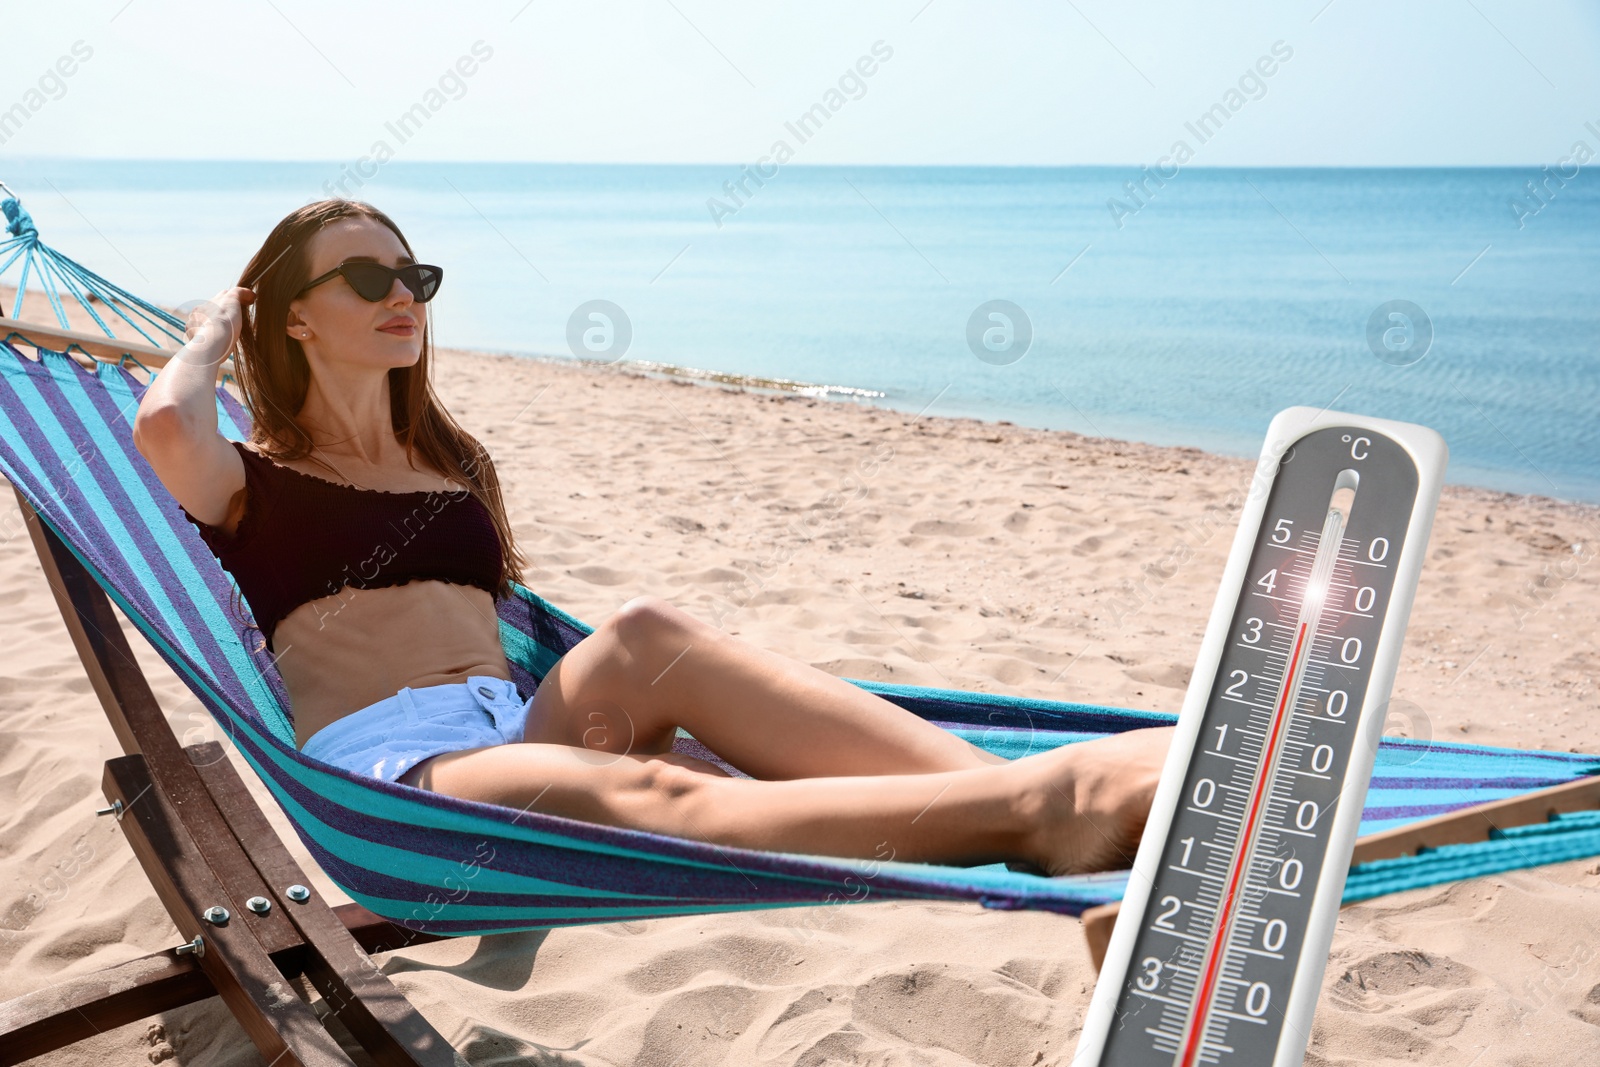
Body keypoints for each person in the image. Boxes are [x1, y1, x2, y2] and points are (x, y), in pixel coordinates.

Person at [133, 198, 1172, 878]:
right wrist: (217, 327)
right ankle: (1045, 800)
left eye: (416, 277)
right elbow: (169, 425)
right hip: (405, 785)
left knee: (646, 632)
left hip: (521, 725)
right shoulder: (256, 484)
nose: (403, 295)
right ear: (295, 318)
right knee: (658, 787)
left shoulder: (448, 466)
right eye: (366, 280)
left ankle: (1002, 804)